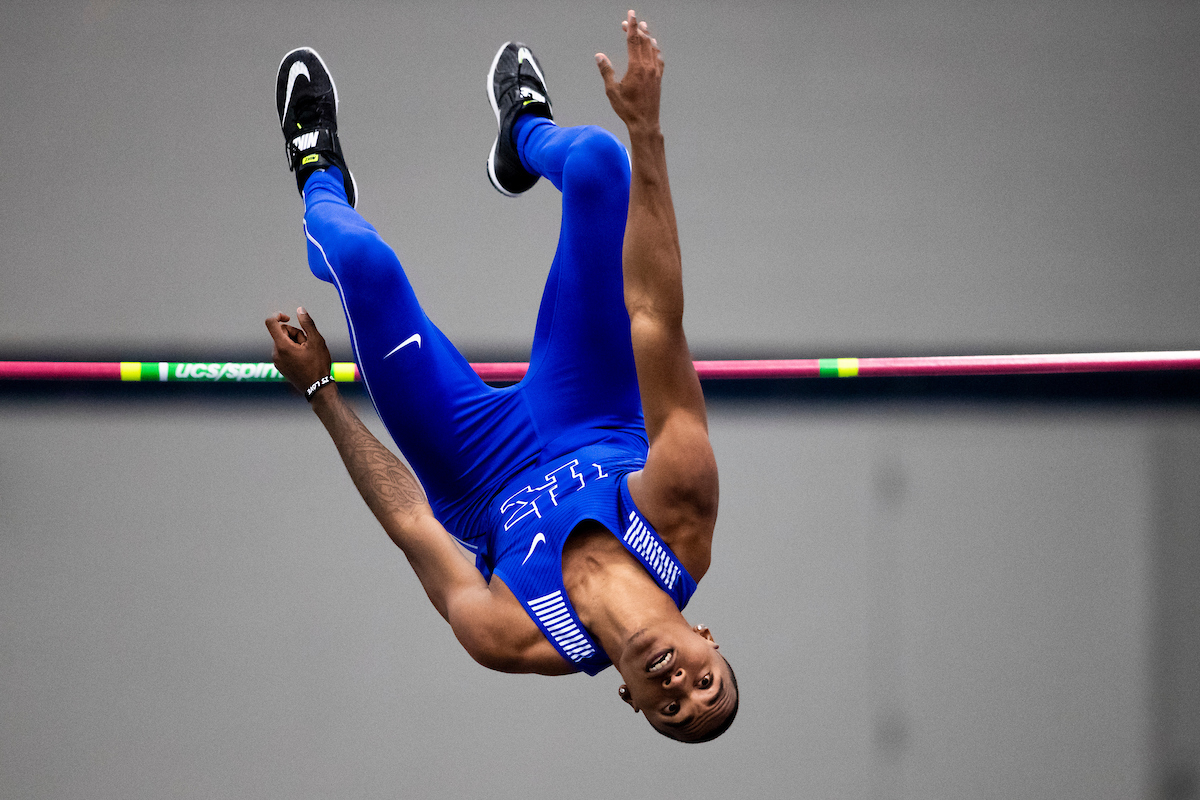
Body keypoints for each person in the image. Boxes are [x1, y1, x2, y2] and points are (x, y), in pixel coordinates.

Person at [266, 11, 736, 742]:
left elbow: (412, 522)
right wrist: (648, 133)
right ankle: (524, 136)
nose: (680, 685)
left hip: (476, 471)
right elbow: (652, 316)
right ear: (707, 636)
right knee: (602, 164)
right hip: (593, 412)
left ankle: (318, 175)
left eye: (672, 707)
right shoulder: (680, 519)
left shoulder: (515, 637)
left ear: (632, 702)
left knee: (362, 266)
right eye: (706, 682)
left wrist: (322, 392)